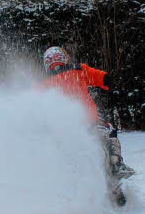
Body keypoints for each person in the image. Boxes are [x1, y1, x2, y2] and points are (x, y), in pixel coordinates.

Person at [39, 46, 134, 205]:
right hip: (90, 123)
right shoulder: (78, 70)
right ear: (64, 58)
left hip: (63, 132)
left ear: (47, 64)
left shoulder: (43, 85)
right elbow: (104, 79)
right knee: (110, 133)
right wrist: (113, 83)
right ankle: (116, 164)